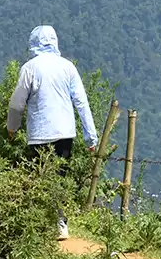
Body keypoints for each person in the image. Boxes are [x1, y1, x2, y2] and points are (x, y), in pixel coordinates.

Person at [6, 25, 97, 239]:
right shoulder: (68, 67)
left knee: (39, 177)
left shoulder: (29, 68)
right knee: (60, 177)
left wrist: (12, 127)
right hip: (65, 133)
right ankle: (59, 222)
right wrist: (90, 137)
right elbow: (81, 102)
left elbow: (17, 104)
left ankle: (39, 224)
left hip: (39, 134)